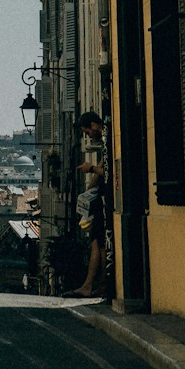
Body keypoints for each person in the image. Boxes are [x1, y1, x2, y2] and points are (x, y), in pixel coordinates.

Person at [65, 110, 107, 299]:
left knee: (100, 244)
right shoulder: (106, 142)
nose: (88, 136)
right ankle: (96, 285)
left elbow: (109, 171)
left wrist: (89, 168)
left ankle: (93, 286)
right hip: (100, 199)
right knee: (98, 244)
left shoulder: (108, 140)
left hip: (105, 201)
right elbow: (103, 169)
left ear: (93, 126)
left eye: (87, 132)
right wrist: (87, 194)